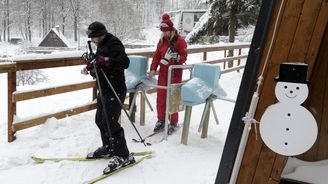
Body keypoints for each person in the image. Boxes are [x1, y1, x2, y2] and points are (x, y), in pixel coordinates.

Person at [82, 21, 134, 174]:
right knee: (100, 120)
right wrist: (90, 67)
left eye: (93, 37)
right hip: (104, 89)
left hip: (115, 89)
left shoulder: (113, 43)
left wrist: (105, 61)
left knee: (112, 123)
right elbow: (99, 64)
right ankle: (109, 147)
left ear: (100, 35)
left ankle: (123, 155)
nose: (91, 40)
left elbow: (125, 62)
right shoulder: (101, 45)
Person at [148, 13, 188, 134]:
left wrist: (176, 57)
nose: (163, 34)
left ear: (170, 30)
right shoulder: (161, 41)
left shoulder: (180, 41)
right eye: (162, 32)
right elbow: (156, 56)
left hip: (174, 74)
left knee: (173, 98)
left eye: (165, 32)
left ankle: (174, 122)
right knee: (161, 98)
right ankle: (161, 120)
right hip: (163, 74)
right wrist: (153, 68)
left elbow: (184, 57)